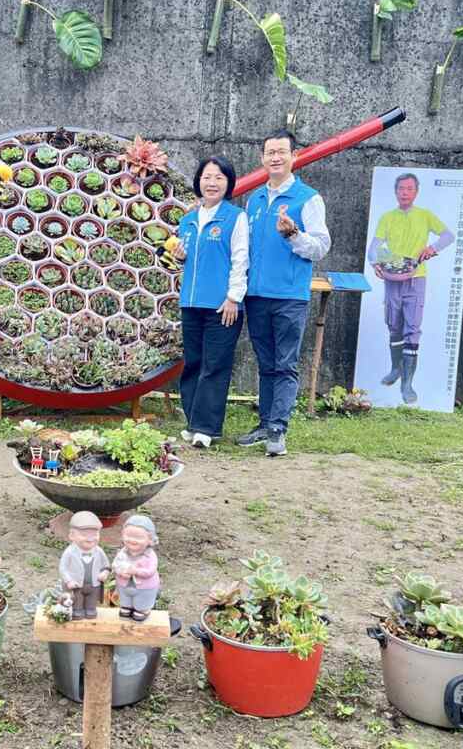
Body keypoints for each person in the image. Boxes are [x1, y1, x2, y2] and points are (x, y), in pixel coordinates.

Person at [238, 130, 331, 456]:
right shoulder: (255, 200)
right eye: (269, 153)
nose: (275, 158)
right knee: (265, 362)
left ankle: (278, 428)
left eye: (281, 152)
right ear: (262, 158)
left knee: (285, 363)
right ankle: (265, 423)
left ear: (294, 156)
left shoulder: (308, 198)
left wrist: (293, 235)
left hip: (290, 296)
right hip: (257, 295)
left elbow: (320, 247)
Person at [172, 155, 248, 448]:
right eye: (206, 177)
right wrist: (178, 258)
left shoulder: (235, 217)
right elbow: (187, 262)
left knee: (215, 365)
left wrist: (233, 298)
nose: (212, 182)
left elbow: (241, 260)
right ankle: (193, 422)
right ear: (198, 181)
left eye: (218, 177)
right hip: (191, 302)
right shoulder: (187, 220)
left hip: (222, 305)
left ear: (228, 182)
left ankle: (207, 428)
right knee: (193, 363)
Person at [366, 172, 454, 404]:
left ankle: (407, 384)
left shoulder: (425, 215)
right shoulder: (387, 217)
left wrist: (432, 249)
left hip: (416, 278)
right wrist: (375, 262)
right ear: (395, 192)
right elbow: (374, 246)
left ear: (416, 192)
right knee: (393, 324)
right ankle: (396, 369)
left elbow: (448, 235)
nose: (404, 192)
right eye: (401, 189)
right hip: (392, 278)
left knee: (412, 328)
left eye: (409, 189)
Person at [58, 511, 110, 620]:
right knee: (77, 601)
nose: (90, 539)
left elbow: (106, 565)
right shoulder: (70, 552)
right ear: (72, 535)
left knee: (91, 604)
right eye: (84, 535)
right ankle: (77, 611)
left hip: (94, 585)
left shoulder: (99, 551)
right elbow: (63, 568)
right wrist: (69, 581)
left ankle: (91, 609)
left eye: (95, 534)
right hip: (77, 585)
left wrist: (104, 573)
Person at [112, 515, 159, 623]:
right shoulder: (122, 553)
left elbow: (150, 571)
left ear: (150, 539)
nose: (132, 540)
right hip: (124, 584)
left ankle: (142, 610)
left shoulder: (150, 555)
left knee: (142, 602)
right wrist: (121, 572)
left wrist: (136, 571)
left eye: (138, 537)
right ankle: (127, 607)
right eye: (128, 536)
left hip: (144, 587)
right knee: (125, 600)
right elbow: (115, 565)